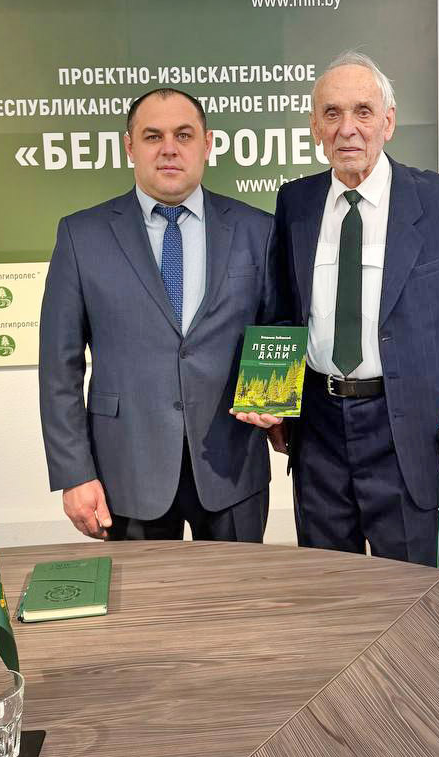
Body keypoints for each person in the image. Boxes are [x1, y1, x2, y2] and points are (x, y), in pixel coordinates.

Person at [236, 52, 439, 567]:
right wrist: (272, 396)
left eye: (363, 111)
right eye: (332, 113)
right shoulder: (295, 202)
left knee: (413, 588)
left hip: (410, 429)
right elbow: (280, 309)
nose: (347, 128)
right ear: (315, 127)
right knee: (329, 584)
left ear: (388, 122)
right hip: (318, 430)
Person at [39, 88, 275, 543]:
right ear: (130, 147)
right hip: (125, 469)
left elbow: (277, 327)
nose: (169, 148)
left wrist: (272, 406)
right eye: (153, 136)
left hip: (232, 467)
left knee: (238, 590)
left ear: (207, 145)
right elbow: (58, 368)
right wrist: (74, 473)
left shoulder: (257, 229)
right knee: (141, 593)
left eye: (183, 135)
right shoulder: (81, 236)